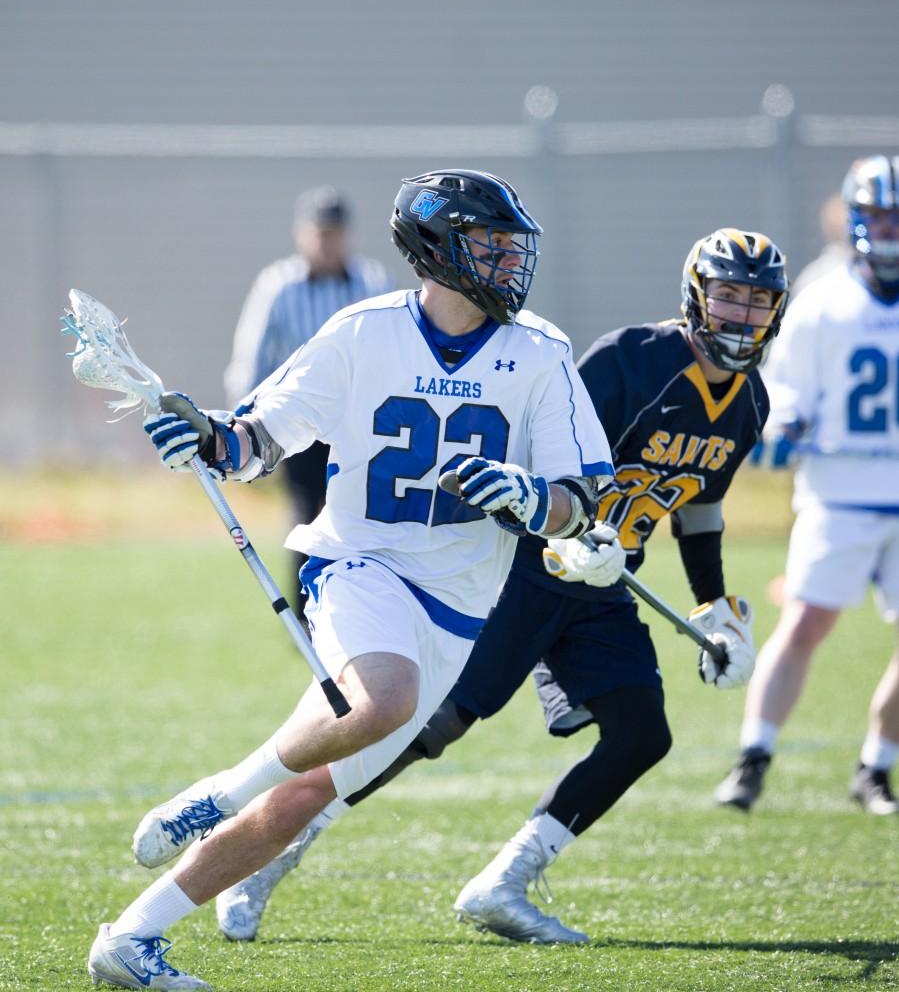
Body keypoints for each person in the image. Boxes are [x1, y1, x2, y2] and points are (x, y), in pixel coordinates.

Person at [86, 168, 614, 990]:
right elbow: (258, 440)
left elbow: (582, 499)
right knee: (384, 702)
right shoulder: (363, 333)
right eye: (488, 246)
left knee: (297, 804)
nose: (509, 264)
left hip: (460, 609)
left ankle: (129, 939)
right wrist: (205, 436)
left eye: (513, 249)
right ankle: (220, 791)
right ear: (436, 250)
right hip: (359, 566)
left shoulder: (539, 353)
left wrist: (527, 495)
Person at [214, 229, 790, 946]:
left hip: (601, 584)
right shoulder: (634, 362)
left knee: (642, 732)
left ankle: (504, 881)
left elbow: (699, 503)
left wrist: (712, 604)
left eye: (756, 300)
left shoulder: (749, 401)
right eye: (728, 295)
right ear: (696, 296)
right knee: (424, 729)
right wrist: (569, 529)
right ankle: (263, 857)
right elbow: (544, 455)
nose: (740, 314)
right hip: (518, 570)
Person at [716, 155, 899, 816]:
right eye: (876, 214)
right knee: (805, 623)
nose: (886, 228)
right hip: (840, 492)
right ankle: (753, 757)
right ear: (853, 218)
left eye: (895, 215)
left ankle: (875, 767)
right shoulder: (821, 295)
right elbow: (782, 385)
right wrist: (786, 419)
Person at [224, 185, 394, 616]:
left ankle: (353, 605)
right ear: (302, 234)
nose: (326, 242)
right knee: (305, 510)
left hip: (355, 421)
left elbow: (388, 350)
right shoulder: (279, 285)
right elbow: (254, 358)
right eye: (319, 233)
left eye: (334, 233)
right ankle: (303, 610)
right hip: (297, 419)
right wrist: (247, 429)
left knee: (356, 513)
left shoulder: (371, 281)